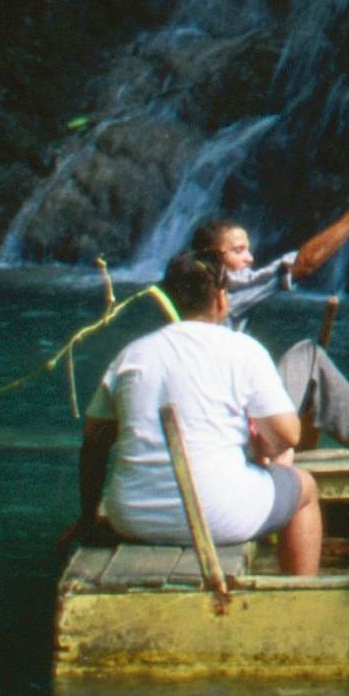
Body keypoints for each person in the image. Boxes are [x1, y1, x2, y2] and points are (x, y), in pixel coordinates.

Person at [79, 243, 323, 574]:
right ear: (222, 298)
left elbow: (94, 444)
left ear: (169, 299)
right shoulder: (243, 350)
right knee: (304, 486)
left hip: (132, 517)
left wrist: (88, 517)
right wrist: (262, 448)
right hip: (219, 517)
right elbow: (289, 433)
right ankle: (300, 600)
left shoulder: (132, 354)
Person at [192, 167, 349, 447]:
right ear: (213, 259)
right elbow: (304, 264)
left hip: (208, 424)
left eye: (248, 249)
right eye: (238, 251)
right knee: (308, 355)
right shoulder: (227, 289)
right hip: (238, 434)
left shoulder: (186, 290)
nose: (250, 258)